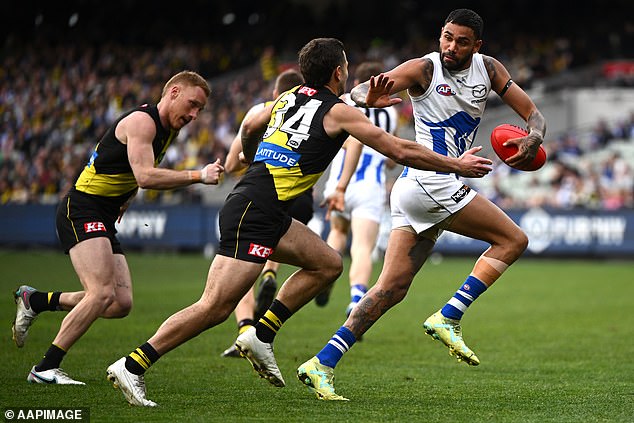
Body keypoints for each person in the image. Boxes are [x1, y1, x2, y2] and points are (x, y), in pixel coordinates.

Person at [105, 37, 491, 407]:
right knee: (214, 307)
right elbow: (400, 148)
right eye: (346, 66)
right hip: (256, 210)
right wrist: (455, 165)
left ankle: (262, 334)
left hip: (261, 204)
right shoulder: (339, 111)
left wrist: (246, 156)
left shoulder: (288, 97)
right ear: (339, 72)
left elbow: (253, 122)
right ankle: (132, 364)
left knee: (327, 263)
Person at [297, 9, 546, 401]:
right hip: (431, 180)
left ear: (476, 46)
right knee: (513, 240)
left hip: (419, 187)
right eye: (447, 37)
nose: (450, 46)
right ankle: (449, 316)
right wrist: (368, 96)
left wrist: (534, 136)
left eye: (461, 41)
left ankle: (322, 363)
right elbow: (358, 92)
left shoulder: (490, 69)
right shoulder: (424, 70)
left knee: (390, 288)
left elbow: (534, 114)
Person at [11, 71, 224, 385]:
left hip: (103, 214)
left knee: (119, 304)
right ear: (174, 92)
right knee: (100, 293)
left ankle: (37, 300)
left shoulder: (167, 130)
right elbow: (146, 176)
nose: (194, 115)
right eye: (193, 105)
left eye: (200, 110)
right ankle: (44, 368)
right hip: (81, 209)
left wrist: (124, 200)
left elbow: (128, 170)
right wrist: (198, 176)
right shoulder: (143, 122)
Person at [220, 68, 315, 358]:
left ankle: (245, 328)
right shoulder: (318, 111)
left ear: (276, 94)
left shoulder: (263, 111)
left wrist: (252, 157)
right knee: (297, 255)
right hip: (301, 197)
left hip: (258, 196)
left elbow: (231, 164)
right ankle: (270, 274)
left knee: (240, 265)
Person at [315, 61, 399, 318]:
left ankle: (325, 278)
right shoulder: (390, 113)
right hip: (369, 186)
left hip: (340, 182)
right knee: (362, 246)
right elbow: (391, 157)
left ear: (357, 83)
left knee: (338, 233)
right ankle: (355, 299)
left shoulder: (343, 103)